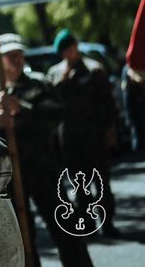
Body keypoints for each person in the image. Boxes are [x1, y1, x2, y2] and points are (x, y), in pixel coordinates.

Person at [0, 33, 93, 267]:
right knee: (21, 239)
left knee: (67, 229)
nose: (17, 59)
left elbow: (56, 115)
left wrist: (23, 109)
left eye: (19, 54)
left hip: (44, 170)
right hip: (8, 178)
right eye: (10, 55)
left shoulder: (38, 83)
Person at [45, 28, 119, 238]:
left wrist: (111, 130)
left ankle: (107, 222)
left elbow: (108, 103)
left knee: (101, 182)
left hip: (94, 134)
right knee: (79, 183)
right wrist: (62, 81)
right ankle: (86, 223)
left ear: (76, 46)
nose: (69, 53)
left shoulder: (93, 70)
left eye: (71, 48)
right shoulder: (54, 74)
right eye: (64, 50)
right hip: (70, 138)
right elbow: (50, 104)